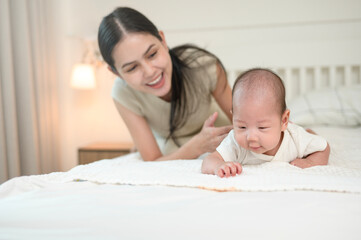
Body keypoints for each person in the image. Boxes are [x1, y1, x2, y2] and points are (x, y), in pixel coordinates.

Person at [97, 7, 233, 161]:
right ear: (115, 73)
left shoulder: (203, 66)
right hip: (172, 148)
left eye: (152, 54)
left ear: (163, 40)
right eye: (132, 68)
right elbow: (153, 160)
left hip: (219, 136)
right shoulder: (122, 93)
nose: (149, 72)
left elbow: (245, 121)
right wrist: (196, 147)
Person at [201, 68, 330, 178]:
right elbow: (209, 160)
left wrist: (310, 162)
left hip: (295, 131)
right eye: (242, 126)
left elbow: (323, 148)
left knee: (309, 136)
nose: (251, 137)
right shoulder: (235, 143)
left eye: (262, 127)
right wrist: (218, 166)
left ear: (283, 121)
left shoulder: (295, 138)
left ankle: (309, 131)